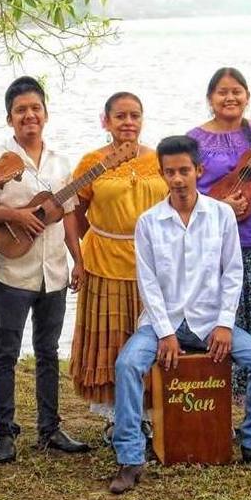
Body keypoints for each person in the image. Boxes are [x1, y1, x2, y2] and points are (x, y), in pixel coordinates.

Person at [109, 135, 251, 495]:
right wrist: (166, 331)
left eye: (184, 170)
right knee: (127, 365)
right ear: (161, 174)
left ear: (198, 171)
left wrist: (223, 324)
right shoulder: (149, 222)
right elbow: (148, 281)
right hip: (161, 323)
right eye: (169, 172)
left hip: (208, 322)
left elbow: (233, 272)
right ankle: (130, 457)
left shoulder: (220, 215)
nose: (177, 179)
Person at [0, 75, 90, 463]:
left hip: (54, 271)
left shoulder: (61, 163)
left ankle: (50, 428)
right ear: (10, 119)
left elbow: (71, 216)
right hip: (12, 271)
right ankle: (5, 432)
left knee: (48, 350)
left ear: (46, 114)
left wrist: (79, 260)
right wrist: (16, 215)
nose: (29, 115)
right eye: (20, 110)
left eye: (35, 108)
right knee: (6, 351)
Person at [187, 67, 251, 400]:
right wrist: (221, 209)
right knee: (219, 321)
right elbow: (184, 190)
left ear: (247, 96)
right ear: (210, 99)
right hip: (214, 246)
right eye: (222, 91)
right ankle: (216, 398)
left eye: (237, 91)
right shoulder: (195, 139)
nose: (230, 97)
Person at [69, 92, 168, 440]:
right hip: (104, 260)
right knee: (112, 341)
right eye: (120, 116)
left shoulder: (159, 160)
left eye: (135, 116)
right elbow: (73, 214)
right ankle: (116, 416)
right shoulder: (90, 163)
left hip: (152, 263)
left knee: (150, 339)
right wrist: (79, 258)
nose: (128, 122)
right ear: (106, 121)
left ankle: (150, 413)